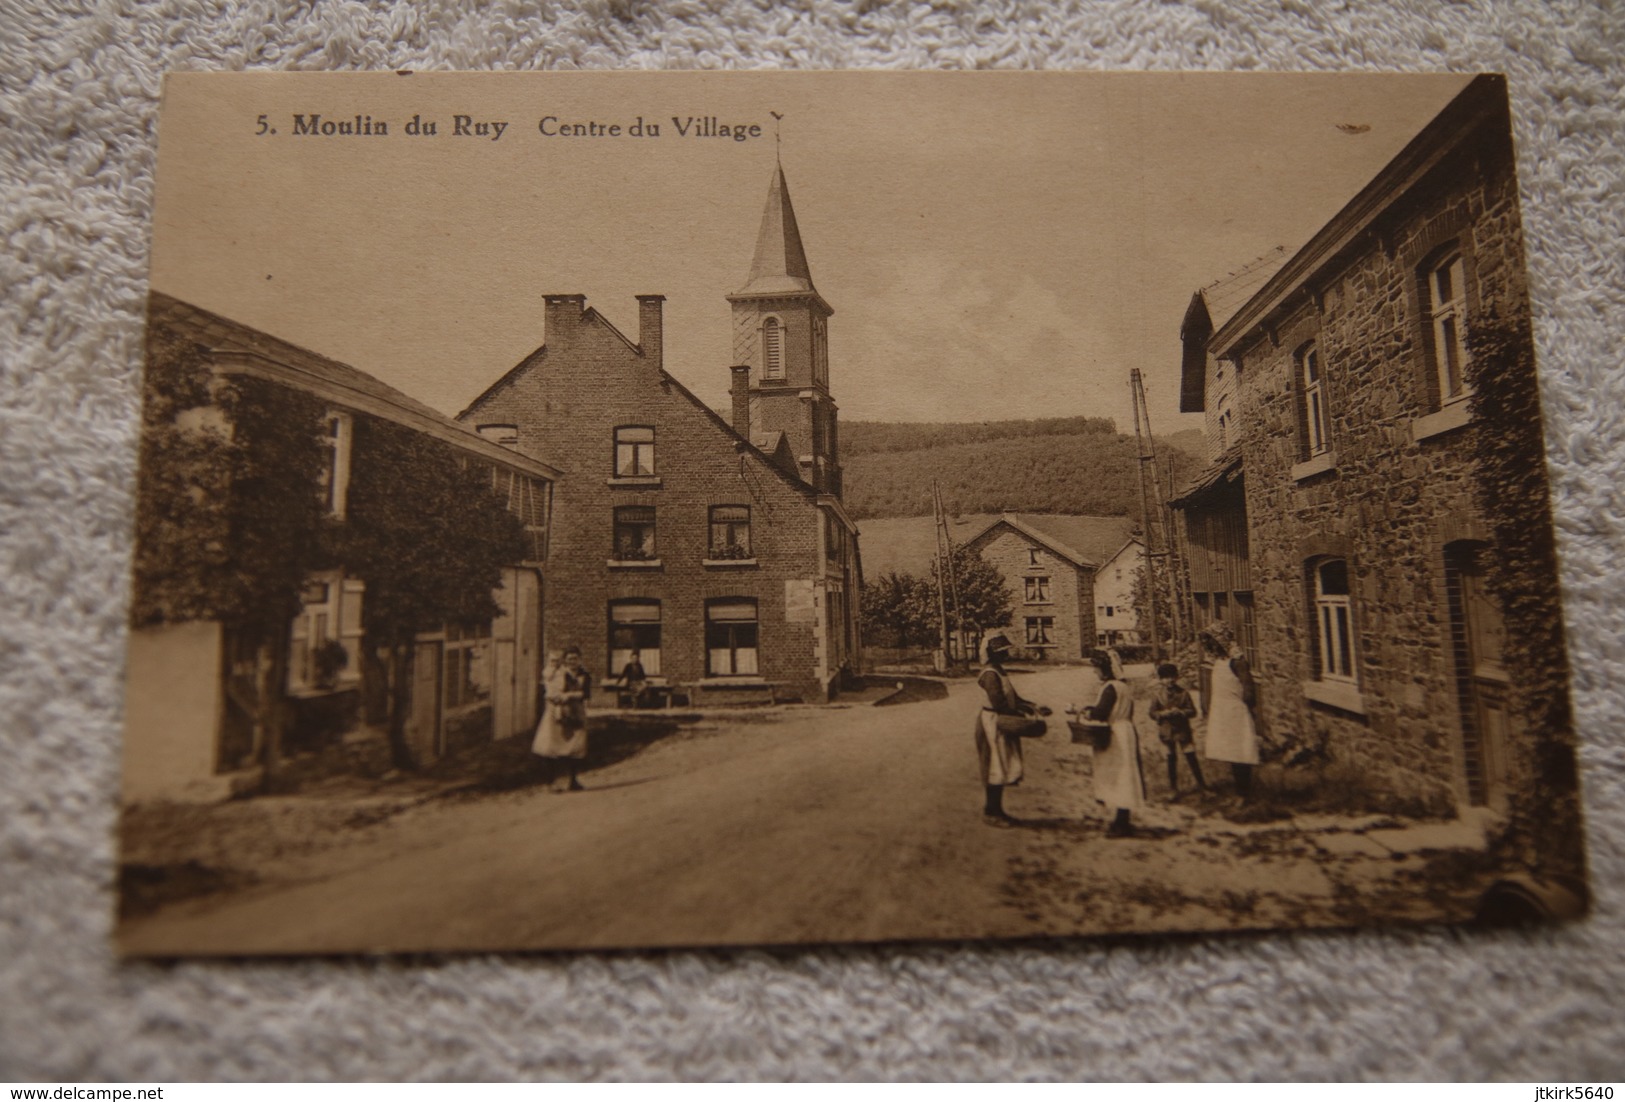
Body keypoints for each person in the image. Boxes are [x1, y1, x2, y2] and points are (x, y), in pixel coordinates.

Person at [973, 631, 1049, 827]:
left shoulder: (999, 671)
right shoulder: (990, 674)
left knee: (1001, 765)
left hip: (1000, 721)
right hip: (992, 723)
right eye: (1002, 652)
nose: (1006, 655)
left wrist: (1034, 706)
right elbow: (998, 703)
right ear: (992, 654)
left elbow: (1015, 698)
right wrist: (1020, 715)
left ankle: (996, 810)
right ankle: (991, 812)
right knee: (994, 766)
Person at [1082, 648, 1144, 837]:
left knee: (1117, 774)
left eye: (1097, 668)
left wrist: (1085, 712)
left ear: (1105, 668)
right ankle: (1121, 818)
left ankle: (1121, 824)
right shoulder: (1123, 686)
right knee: (1125, 774)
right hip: (1126, 730)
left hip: (1115, 733)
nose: (1095, 672)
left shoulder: (1110, 687)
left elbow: (1101, 713)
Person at [1200, 621, 1259, 799]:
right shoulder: (1220, 661)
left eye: (1212, 642)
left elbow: (1248, 689)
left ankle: (1245, 795)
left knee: (1240, 752)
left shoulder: (1237, 662)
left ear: (1221, 641)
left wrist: (1245, 709)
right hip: (1222, 710)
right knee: (1231, 752)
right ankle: (1239, 792)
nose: (1209, 646)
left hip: (1235, 711)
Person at [531, 644, 593, 791]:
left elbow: (586, 694)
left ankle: (573, 781)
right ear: (565, 660)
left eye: (575, 659)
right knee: (552, 747)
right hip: (557, 714)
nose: (573, 662)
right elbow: (550, 692)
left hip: (576, 713)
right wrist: (559, 698)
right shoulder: (558, 674)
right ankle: (551, 782)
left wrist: (571, 695)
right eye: (569, 659)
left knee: (575, 747)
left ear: (580, 660)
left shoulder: (584, 676)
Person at [1148, 661, 1206, 797]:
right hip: (1166, 730)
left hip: (1182, 730)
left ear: (1176, 677)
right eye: (1166, 677)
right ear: (1161, 680)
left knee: (1190, 755)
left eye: (1172, 677)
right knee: (1171, 757)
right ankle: (1173, 789)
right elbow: (1152, 713)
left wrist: (1181, 712)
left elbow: (1193, 711)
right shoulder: (1157, 695)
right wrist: (1162, 714)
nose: (1170, 680)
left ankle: (1202, 786)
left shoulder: (1184, 693)